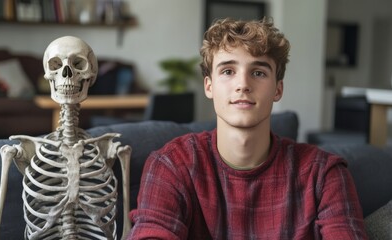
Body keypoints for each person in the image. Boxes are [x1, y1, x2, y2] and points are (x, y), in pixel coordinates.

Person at [127, 18, 367, 239]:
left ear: (278, 89)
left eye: (259, 72)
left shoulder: (324, 174)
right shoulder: (171, 165)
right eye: (228, 71)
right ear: (209, 86)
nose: (243, 84)